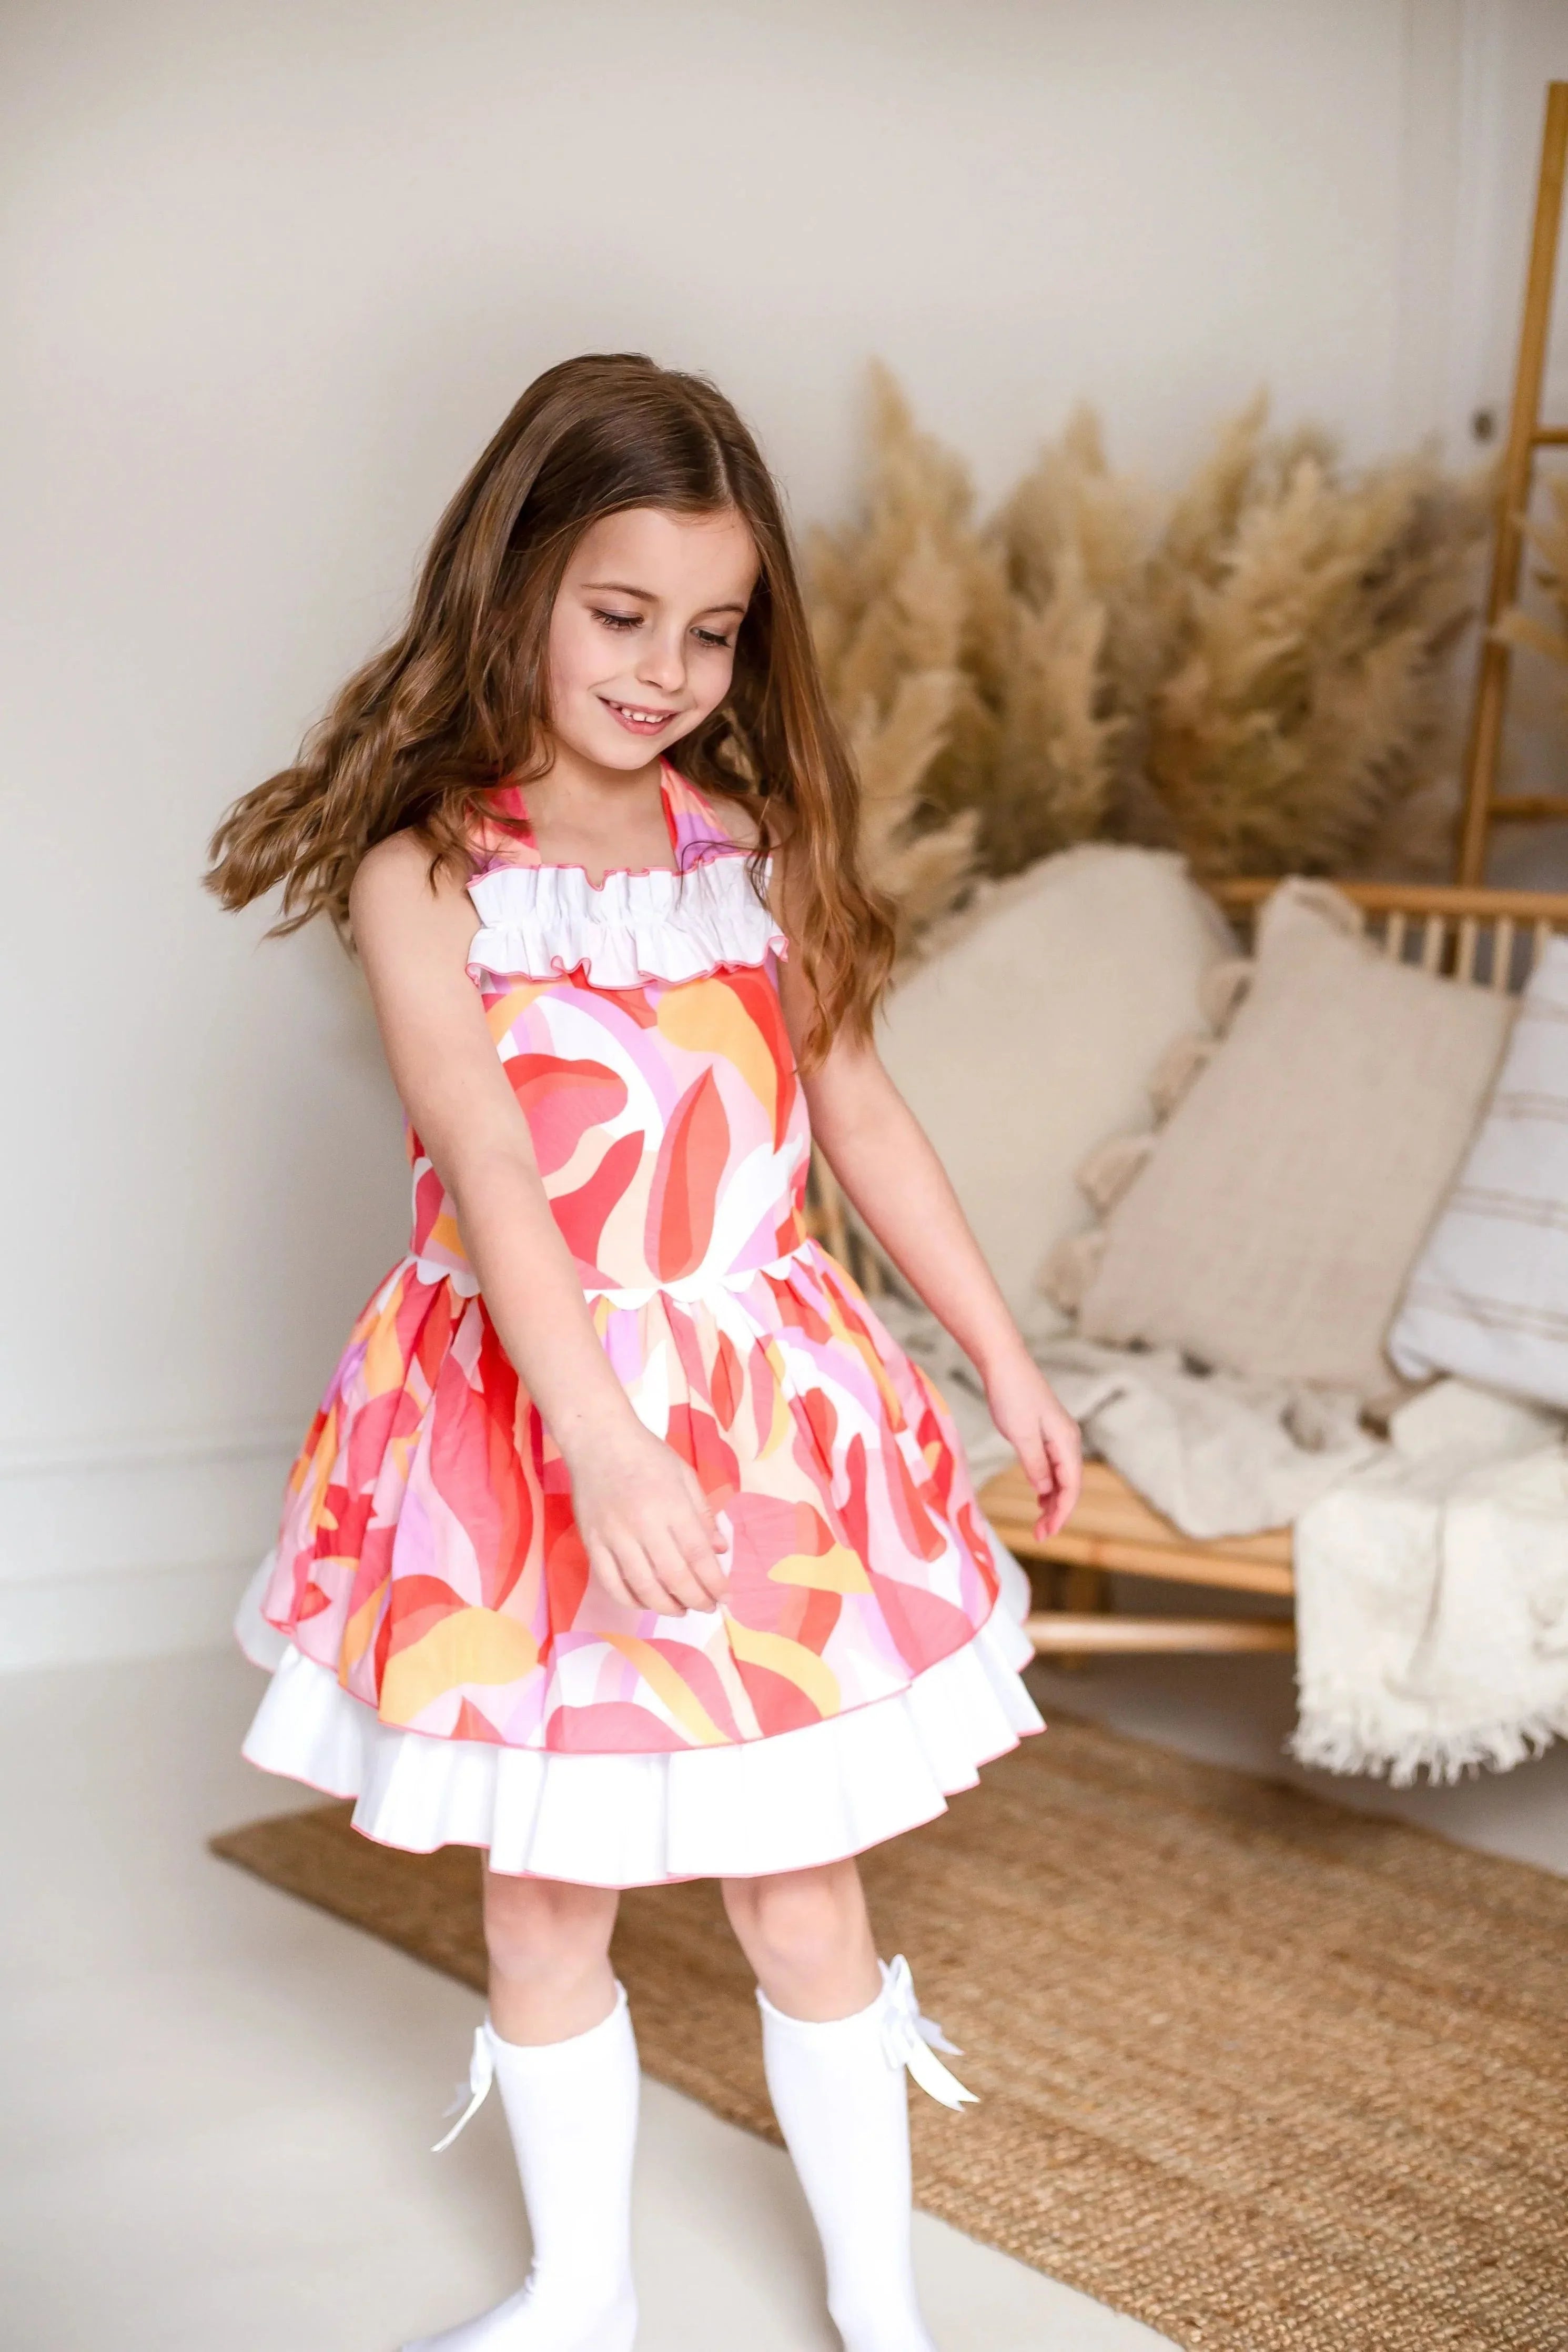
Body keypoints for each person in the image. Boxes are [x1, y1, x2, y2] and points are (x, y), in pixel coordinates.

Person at [207, 351, 1081, 2352]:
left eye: (712, 630)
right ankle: (579, 2296)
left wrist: (1002, 1357)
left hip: (763, 1416)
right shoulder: (430, 872)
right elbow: (497, 1169)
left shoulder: (751, 856)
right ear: (514, 578)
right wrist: (597, 1440)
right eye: (622, 614)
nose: (666, 666)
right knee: (542, 1893)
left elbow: (860, 1115)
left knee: (801, 1889)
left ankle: (884, 2311)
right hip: (531, 1431)